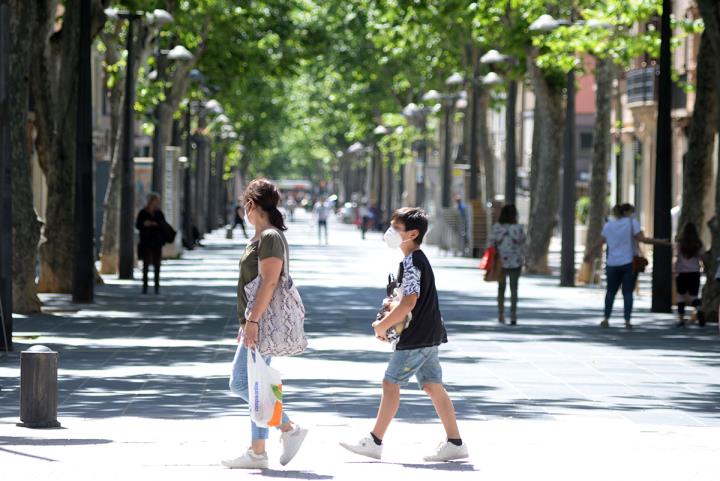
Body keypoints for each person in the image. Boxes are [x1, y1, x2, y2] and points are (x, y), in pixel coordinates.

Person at [340, 207, 468, 463]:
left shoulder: (412, 262)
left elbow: (409, 302)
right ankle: (455, 443)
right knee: (433, 386)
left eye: (396, 229)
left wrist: (381, 325)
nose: (391, 232)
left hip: (417, 336)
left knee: (391, 383)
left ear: (413, 234)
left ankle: (374, 440)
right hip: (429, 333)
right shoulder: (417, 260)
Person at [222, 179, 308, 469]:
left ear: (251, 205)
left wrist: (253, 320)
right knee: (256, 382)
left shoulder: (270, 237)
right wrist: (246, 321)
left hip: (262, 321)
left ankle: (288, 428)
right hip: (255, 321)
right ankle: (257, 451)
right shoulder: (262, 237)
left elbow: (269, 282)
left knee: (241, 382)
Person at [585, 203, 669, 328]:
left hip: (612, 262)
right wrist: (660, 242)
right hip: (628, 262)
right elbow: (642, 239)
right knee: (628, 292)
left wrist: (589, 254)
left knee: (610, 292)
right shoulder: (631, 223)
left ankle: (606, 318)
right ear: (626, 212)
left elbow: (600, 241)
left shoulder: (609, 225)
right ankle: (627, 320)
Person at [490, 204, 527, 325]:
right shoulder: (518, 228)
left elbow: (491, 244)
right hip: (516, 261)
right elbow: (523, 244)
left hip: (500, 261)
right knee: (514, 288)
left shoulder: (496, 227)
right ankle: (513, 314)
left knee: (501, 288)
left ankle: (500, 314)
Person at [135, 192, 169, 294]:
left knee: (157, 265)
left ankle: (156, 286)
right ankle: (145, 286)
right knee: (145, 265)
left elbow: (164, 225)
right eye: (154, 201)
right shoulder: (143, 213)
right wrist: (145, 224)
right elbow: (138, 225)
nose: (155, 203)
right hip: (146, 242)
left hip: (157, 242)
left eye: (157, 201)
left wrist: (156, 224)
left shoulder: (159, 213)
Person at [674, 222, 705, 327]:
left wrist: (674, 269)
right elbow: (702, 257)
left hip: (682, 273)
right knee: (694, 296)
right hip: (695, 273)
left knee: (680, 296)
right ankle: (699, 309)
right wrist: (705, 267)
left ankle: (681, 318)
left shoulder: (680, 243)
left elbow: (677, 257)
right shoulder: (698, 243)